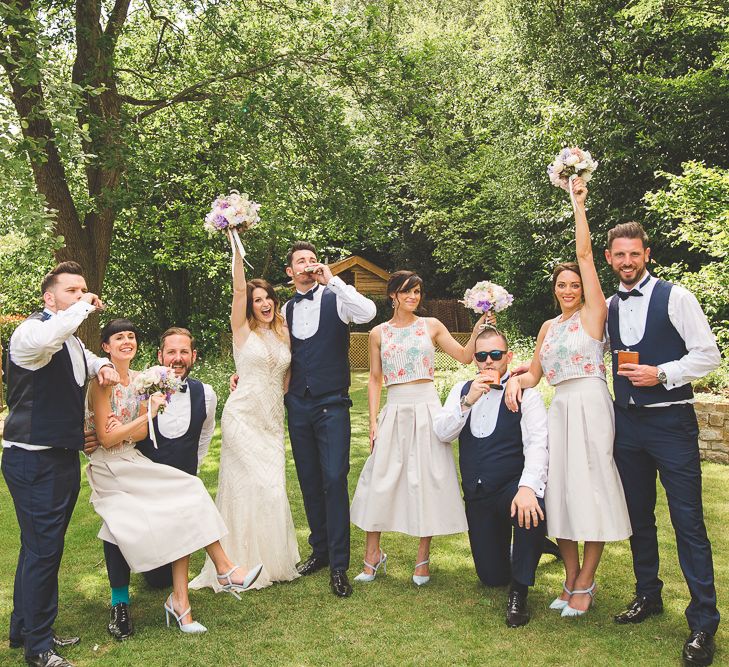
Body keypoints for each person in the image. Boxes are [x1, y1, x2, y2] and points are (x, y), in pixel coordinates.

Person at [85, 319, 263, 637]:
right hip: (108, 466)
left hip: (132, 459)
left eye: (131, 336)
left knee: (191, 485)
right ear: (105, 346)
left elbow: (138, 432)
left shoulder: (143, 380)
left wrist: (131, 425)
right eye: (118, 337)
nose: (126, 341)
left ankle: (223, 570)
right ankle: (120, 604)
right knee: (115, 525)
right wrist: (131, 423)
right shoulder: (102, 381)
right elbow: (109, 439)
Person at [505, 177, 631, 617]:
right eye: (561, 285)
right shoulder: (548, 328)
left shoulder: (595, 315)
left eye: (574, 284)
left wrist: (577, 203)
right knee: (559, 492)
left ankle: (586, 580)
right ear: (554, 289)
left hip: (592, 405)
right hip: (560, 409)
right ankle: (569, 575)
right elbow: (535, 376)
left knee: (591, 489)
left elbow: (584, 254)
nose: (568, 289)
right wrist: (506, 378)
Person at [604, 222, 721, 666]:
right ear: (610, 258)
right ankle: (648, 595)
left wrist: (663, 374)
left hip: (671, 424)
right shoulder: (610, 305)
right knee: (639, 517)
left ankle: (703, 622)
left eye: (634, 254)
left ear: (647, 254)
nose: (628, 262)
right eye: (620, 255)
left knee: (688, 521)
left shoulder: (676, 296)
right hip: (627, 426)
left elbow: (709, 354)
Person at [2, 261, 119, 667]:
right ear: (49, 297)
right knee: (43, 551)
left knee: (39, 549)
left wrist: (102, 365)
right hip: (35, 460)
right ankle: (38, 648)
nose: (82, 295)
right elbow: (52, 338)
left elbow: (81, 357)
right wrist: (83, 307)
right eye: (72, 290)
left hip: (59, 457)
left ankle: (25, 629)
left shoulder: (65, 337)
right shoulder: (31, 332)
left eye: (84, 289)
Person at [349, 270, 486, 586]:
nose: (413, 297)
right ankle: (372, 555)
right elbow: (374, 379)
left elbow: (465, 357)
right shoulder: (378, 333)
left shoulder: (432, 326)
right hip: (395, 408)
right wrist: (373, 422)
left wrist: (479, 325)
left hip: (426, 408)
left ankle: (423, 559)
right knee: (379, 479)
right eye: (407, 292)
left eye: (418, 292)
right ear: (393, 295)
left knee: (428, 479)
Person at [190, 247, 300, 594]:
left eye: (268, 298)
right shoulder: (241, 331)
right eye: (257, 300)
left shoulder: (284, 333)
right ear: (249, 306)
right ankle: (236, 565)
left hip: (271, 420)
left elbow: (288, 374)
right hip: (242, 417)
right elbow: (238, 288)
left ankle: (272, 562)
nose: (264, 304)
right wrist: (235, 243)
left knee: (270, 487)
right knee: (244, 487)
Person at [434, 326, 549, 627]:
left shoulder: (525, 391)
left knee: (532, 508)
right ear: (474, 359)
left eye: (495, 355)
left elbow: (538, 443)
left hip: (511, 485)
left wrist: (527, 488)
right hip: (478, 492)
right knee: (491, 577)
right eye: (482, 355)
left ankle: (520, 593)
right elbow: (442, 432)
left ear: (508, 357)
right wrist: (468, 401)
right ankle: (538, 547)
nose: (488, 361)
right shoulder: (462, 390)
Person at [283, 241, 377, 597]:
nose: (307, 264)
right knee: (309, 479)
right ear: (290, 273)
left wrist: (333, 280)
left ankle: (339, 565)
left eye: (312, 259)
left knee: (335, 477)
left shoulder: (337, 298)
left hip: (332, 402)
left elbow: (368, 312)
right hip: (299, 404)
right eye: (300, 262)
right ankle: (320, 551)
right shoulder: (285, 310)